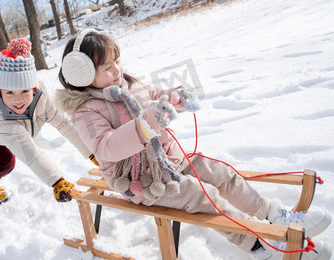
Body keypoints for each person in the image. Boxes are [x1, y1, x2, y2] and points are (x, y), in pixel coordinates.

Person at [56, 29, 332, 259]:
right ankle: (261, 244)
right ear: (82, 75)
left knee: (221, 174)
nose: (117, 70)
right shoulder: (85, 110)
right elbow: (105, 147)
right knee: (203, 194)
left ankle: (275, 215)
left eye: (118, 61)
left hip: (174, 160)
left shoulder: (130, 84)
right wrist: (145, 125)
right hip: (146, 182)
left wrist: (174, 97)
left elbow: (155, 95)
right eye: (108, 67)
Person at [0, 37, 97, 206]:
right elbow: (26, 147)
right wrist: (57, 181)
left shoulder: (42, 96)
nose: (18, 100)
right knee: (5, 163)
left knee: (6, 160)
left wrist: (92, 152)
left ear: (34, 89)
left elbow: (64, 124)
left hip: (17, 125)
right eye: (10, 92)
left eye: (24, 91)